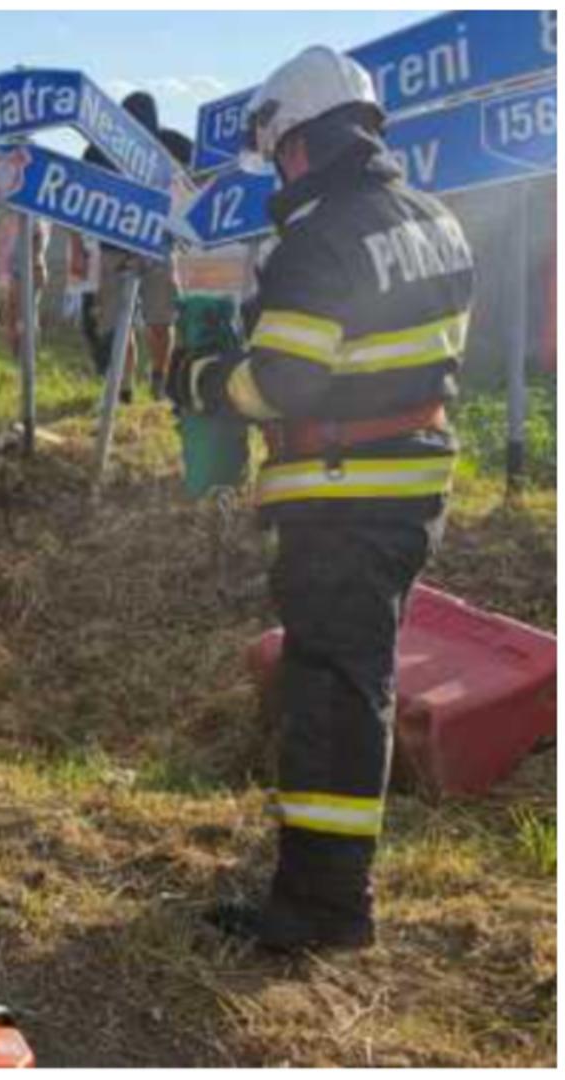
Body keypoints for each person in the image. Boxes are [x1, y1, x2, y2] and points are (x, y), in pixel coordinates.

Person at [166, 46, 474, 953]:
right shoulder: (434, 218)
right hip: (410, 482)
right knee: (352, 683)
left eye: (278, 153)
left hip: (345, 494)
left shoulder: (322, 237)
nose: (278, 171)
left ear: (299, 142)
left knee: (335, 696)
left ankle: (325, 908)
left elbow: (285, 383)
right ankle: (322, 887)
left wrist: (203, 381)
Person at [86, 92, 192, 402]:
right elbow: (82, 190)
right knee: (118, 324)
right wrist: (79, 243)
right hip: (113, 246)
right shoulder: (97, 149)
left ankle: (159, 379)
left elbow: (200, 171)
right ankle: (124, 389)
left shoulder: (171, 143)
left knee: (161, 320)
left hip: (157, 244)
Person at [0, 213, 50, 359]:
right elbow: (2, 249)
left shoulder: (36, 220)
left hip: (29, 270)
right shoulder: (11, 221)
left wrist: (32, 268)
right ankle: (16, 353)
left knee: (25, 314)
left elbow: (37, 247)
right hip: (16, 270)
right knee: (10, 314)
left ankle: (26, 354)